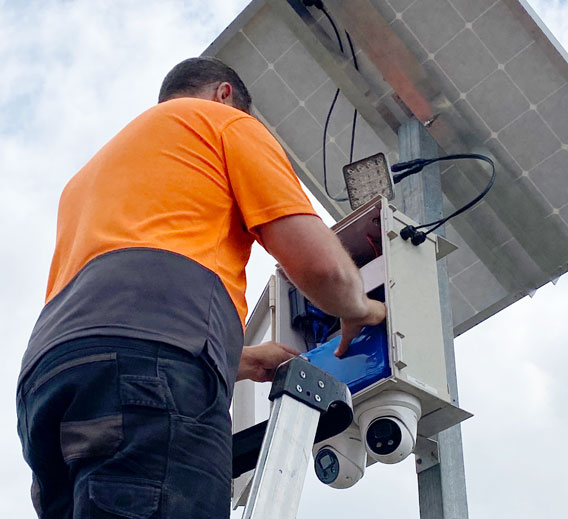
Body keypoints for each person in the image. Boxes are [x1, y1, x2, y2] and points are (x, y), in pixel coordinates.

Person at [16, 57, 386, 519]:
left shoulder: (93, 174)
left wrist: (246, 361)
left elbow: (118, 329)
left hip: (48, 384)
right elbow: (322, 268)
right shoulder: (223, 122)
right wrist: (359, 309)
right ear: (225, 94)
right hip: (146, 369)